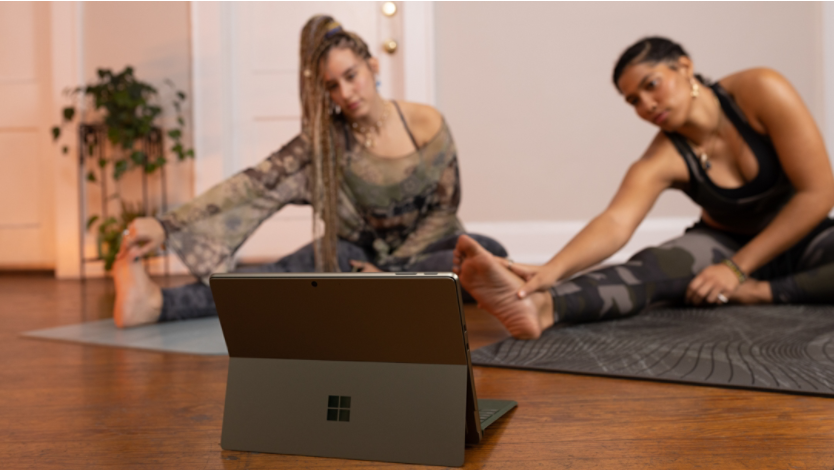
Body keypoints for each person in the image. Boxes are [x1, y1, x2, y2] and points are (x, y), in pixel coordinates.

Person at [113, 15, 506, 328]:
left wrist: (387, 272)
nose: (346, 93)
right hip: (354, 258)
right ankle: (156, 304)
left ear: (371, 66)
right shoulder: (323, 143)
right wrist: (167, 225)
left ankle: (385, 290)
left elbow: (443, 208)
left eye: (351, 76)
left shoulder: (424, 122)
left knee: (488, 254)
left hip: (426, 251)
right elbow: (251, 186)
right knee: (286, 276)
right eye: (332, 86)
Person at [454, 37, 834, 340]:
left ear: (684, 67)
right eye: (633, 100)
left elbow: (818, 193)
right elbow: (616, 222)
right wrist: (550, 271)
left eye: (652, 85)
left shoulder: (760, 90)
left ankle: (764, 292)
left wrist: (739, 273)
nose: (647, 105)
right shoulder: (662, 157)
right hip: (723, 242)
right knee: (650, 268)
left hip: (801, 236)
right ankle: (543, 307)